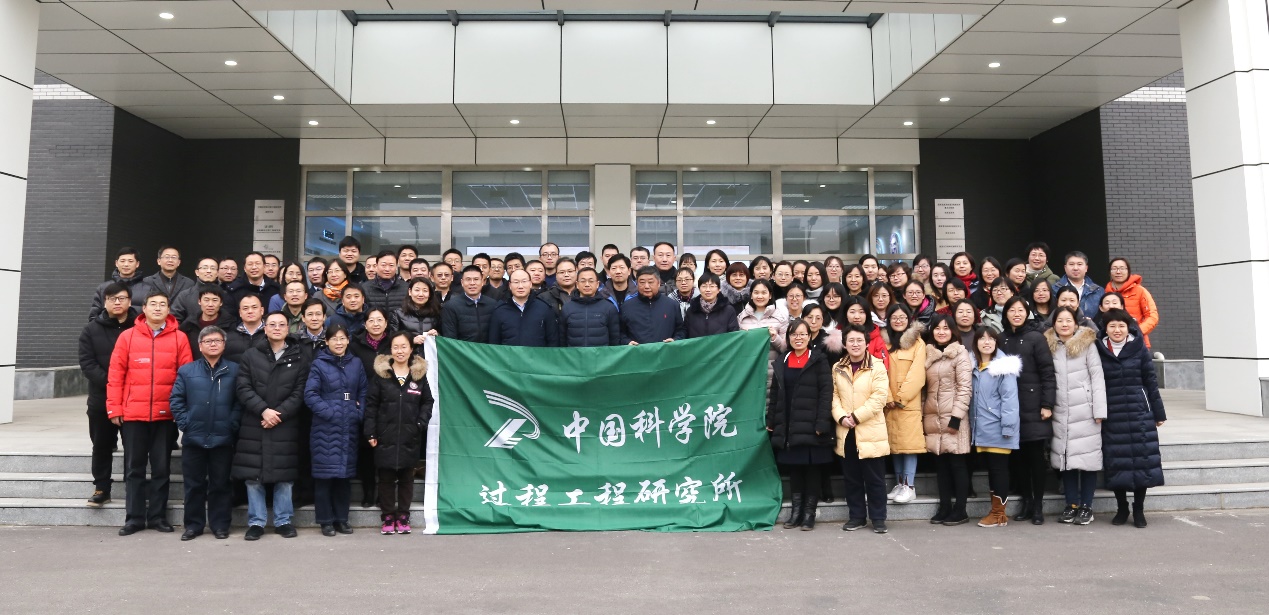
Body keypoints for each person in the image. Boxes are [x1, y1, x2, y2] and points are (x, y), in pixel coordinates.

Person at [108, 290, 192, 536]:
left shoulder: (179, 338)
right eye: (153, 304)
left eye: (162, 304)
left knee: (161, 469)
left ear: (169, 310)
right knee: (134, 469)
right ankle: (134, 518)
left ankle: (157, 517)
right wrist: (114, 407)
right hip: (133, 414)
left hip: (165, 416)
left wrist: (181, 410)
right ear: (143, 308)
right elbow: (116, 375)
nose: (157, 308)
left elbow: (186, 377)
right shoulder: (127, 337)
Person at [233, 311, 312, 541]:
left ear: (288, 328)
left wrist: (279, 414)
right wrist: (263, 410)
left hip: (285, 424)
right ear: (265, 328)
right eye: (272, 324)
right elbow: (243, 387)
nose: (277, 328)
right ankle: (256, 522)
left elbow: (300, 392)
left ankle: (283, 520)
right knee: (253, 476)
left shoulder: (299, 357)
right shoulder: (251, 355)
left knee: (284, 476)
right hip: (255, 422)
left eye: (281, 324)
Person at [1097, 308, 1167, 528]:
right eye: (1112, 326)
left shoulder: (1139, 348)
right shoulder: (1098, 349)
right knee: (1117, 461)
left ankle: (1138, 509)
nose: (1117, 330)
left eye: (1121, 325)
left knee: (1141, 461)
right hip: (1112, 413)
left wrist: (1159, 413)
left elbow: (1151, 381)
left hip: (1139, 412)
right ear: (1105, 328)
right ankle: (1122, 508)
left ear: (1128, 327)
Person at [170, 326, 241, 541]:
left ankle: (220, 525)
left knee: (221, 484)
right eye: (208, 341)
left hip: (223, 437)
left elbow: (240, 402)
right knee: (194, 485)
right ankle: (193, 525)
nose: (213, 344)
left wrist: (231, 424)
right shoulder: (187, 371)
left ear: (224, 345)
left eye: (217, 340)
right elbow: (176, 400)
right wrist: (186, 423)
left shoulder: (234, 370)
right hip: (194, 437)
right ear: (200, 346)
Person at [768, 319, 835, 530]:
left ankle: (809, 514)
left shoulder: (818, 359)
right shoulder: (783, 360)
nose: (798, 338)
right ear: (788, 337)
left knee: (812, 469)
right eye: (794, 334)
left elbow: (826, 393)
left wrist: (822, 422)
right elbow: (775, 393)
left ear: (809, 336)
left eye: (803, 334)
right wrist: (771, 420)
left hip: (812, 424)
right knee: (795, 469)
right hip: (789, 424)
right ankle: (796, 513)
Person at [366, 332, 433, 535]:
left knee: (406, 478)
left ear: (411, 349)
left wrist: (420, 423)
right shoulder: (382, 375)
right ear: (391, 350)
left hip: (410, 435)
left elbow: (427, 402)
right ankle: (388, 516)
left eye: (404, 346)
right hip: (384, 434)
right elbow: (371, 405)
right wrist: (370, 432)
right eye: (396, 347)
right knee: (386, 478)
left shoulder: (418, 376)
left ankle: (403, 516)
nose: (400, 351)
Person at [1045, 307, 1107, 526]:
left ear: (1075, 323)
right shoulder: (1048, 345)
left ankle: (1086, 506)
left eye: (1068, 320)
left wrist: (1099, 410)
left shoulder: (1087, 344)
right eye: (1060, 320)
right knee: (1066, 459)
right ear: (1054, 324)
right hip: (1060, 410)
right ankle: (1071, 504)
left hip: (1086, 410)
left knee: (1088, 460)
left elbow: (1097, 376)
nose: (1064, 324)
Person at [305, 324, 369, 537]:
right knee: (325, 477)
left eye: (342, 338)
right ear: (327, 342)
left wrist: (358, 413)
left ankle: (342, 519)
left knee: (344, 477)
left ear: (348, 340)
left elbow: (363, 391)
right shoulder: (319, 364)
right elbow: (310, 395)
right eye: (334, 339)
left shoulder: (356, 363)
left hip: (349, 427)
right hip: (325, 428)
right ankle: (325, 521)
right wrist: (330, 412)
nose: (339, 343)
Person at [998, 295, 1056, 525]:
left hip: (1034, 407)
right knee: (1018, 459)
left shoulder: (1036, 338)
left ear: (1027, 313)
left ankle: (1038, 505)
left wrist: (1047, 404)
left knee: (1036, 458)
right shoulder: (1001, 338)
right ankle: (1026, 502)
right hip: (1011, 407)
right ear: (1006, 313)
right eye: (1012, 310)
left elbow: (1048, 373)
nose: (1017, 314)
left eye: (1021, 310)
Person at [78, 282, 136, 508]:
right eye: (112, 299)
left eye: (122, 298)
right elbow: (87, 363)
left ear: (130, 301)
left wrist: (127, 385)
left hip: (133, 398)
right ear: (105, 302)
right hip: (101, 399)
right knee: (101, 445)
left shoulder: (140, 327)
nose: (117, 302)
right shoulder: (91, 330)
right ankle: (102, 488)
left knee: (133, 446)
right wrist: (113, 384)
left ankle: (133, 488)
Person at [832, 325, 891, 534]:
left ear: (867, 343)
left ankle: (878, 518)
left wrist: (856, 416)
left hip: (870, 431)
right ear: (844, 344)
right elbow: (834, 396)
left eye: (859, 340)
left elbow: (879, 397)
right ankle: (856, 516)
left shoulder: (877, 366)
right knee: (852, 479)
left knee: (875, 479)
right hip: (847, 431)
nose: (855, 344)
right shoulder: (838, 367)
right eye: (851, 340)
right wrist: (841, 417)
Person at [922, 314, 974, 526]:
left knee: (957, 463)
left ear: (953, 331)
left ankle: (960, 509)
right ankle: (944, 507)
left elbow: (965, 388)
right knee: (941, 465)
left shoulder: (960, 354)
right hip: (933, 417)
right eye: (937, 328)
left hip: (954, 417)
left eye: (946, 328)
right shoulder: (929, 355)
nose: (941, 332)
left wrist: (956, 417)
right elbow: (925, 389)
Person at [971, 327, 1021, 528]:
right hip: (982, 427)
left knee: (998, 470)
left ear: (996, 342)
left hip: (998, 427)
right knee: (992, 470)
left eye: (991, 338)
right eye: (982, 338)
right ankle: (997, 512)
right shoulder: (973, 365)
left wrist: (1008, 427)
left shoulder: (1004, 366)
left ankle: (999, 514)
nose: (986, 342)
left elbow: (1010, 399)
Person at [880, 304, 926, 505]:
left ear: (909, 319)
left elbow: (917, 375)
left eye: (902, 317)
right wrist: (887, 397)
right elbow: (879, 371)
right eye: (894, 317)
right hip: (887, 403)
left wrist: (900, 398)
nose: (898, 321)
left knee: (909, 446)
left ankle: (909, 486)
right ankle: (899, 484)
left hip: (908, 403)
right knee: (895, 445)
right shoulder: (883, 342)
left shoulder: (918, 343)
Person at [489, 270, 560, 347]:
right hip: (509, 354)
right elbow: (494, 344)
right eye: (516, 282)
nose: (520, 286)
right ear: (510, 285)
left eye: (524, 281)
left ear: (530, 284)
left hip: (537, 354)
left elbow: (553, 341)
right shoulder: (499, 311)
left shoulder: (544, 308)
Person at [738, 279, 788, 385]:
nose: (760, 296)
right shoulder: (742, 317)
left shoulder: (780, 318)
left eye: (764, 293)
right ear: (751, 295)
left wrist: (775, 338)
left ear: (770, 295)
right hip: (748, 371)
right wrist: (741, 337)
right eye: (756, 292)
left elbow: (786, 349)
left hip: (772, 372)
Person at [620, 267, 685, 345]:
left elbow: (681, 331)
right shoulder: (627, 307)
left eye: (651, 282)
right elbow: (620, 333)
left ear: (658, 283)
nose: (646, 286)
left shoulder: (672, 305)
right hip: (637, 351)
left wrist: (675, 340)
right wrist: (627, 342)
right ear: (637, 284)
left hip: (665, 351)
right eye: (642, 282)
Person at [1105, 258, 1160, 348]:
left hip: (1137, 343)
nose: (1118, 272)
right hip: (1111, 344)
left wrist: (1136, 331)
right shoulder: (1105, 293)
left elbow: (1152, 316)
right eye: (1114, 268)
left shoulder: (1140, 291)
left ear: (1128, 271)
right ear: (1109, 272)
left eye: (1122, 268)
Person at [560, 267, 621, 347]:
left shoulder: (609, 308)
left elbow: (615, 339)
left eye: (591, 281)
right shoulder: (567, 308)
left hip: (601, 354)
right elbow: (562, 339)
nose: (587, 284)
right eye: (583, 281)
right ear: (577, 284)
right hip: (574, 354)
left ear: (597, 284)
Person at [89, 246, 148, 320]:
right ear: (116, 263)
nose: (126, 264)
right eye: (122, 261)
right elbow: (94, 316)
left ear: (137, 264)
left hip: (136, 327)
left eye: (130, 261)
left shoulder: (148, 289)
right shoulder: (103, 288)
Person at [441, 265, 496, 342]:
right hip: (462, 349)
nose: (472, 283)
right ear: (462, 282)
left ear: (483, 282)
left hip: (487, 349)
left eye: (476, 279)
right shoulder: (451, 306)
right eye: (468, 279)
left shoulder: (493, 304)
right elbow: (450, 338)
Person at [178, 286, 234, 360]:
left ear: (221, 303)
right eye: (206, 300)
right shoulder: (188, 326)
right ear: (199, 301)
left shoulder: (231, 325)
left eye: (215, 300)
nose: (210, 304)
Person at [684, 272, 740, 339]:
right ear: (699, 289)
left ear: (718, 289)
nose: (708, 290)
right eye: (704, 286)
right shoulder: (691, 310)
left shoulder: (728, 310)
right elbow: (685, 333)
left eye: (712, 286)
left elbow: (733, 335)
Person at [391, 277, 441, 348]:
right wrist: (412, 341)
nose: (421, 294)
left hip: (430, 353)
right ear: (410, 292)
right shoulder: (398, 313)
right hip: (408, 353)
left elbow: (445, 337)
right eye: (417, 290)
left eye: (425, 291)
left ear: (429, 294)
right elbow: (392, 338)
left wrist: (437, 335)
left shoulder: (436, 313)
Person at [1055, 251, 1105, 318]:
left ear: (1086, 268)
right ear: (1065, 268)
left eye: (1079, 264)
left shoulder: (1098, 291)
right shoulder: (1055, 289)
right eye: (1071, 264)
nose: (1075, 268)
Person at [223, 294, 265, 363]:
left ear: (262, 310)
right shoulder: (228, 338)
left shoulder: (271, 334)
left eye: (254, 307)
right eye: (245, 308)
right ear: (240, 313)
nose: (250, 311)